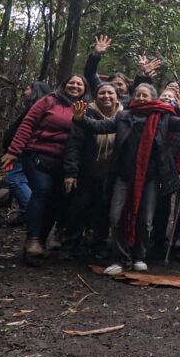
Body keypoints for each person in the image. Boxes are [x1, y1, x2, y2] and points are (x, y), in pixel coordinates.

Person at [71, 84, 180, 274]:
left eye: (145, 95)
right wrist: (81, 119)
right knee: (116, 217)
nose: (141, 98)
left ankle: (139, 256)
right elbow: (101, 127)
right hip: (123, 176)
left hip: (151, 178)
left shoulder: (162, 116)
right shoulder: (124, 116)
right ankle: (120, 258)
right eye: (138, 95)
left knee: (145, 220)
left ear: (153, 98)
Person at [1, 75, 88, 259]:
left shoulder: (85, 108)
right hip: (37, 154)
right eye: (71, 82)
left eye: (79, 84)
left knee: (56, 200)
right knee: (42, 190)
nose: (74, 85)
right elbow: (27, 124)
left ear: (85, 89)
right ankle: (32, 238)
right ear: (64, 85)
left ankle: (39, 240)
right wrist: (14, 151)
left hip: (65, 162)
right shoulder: (48, 101)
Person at [63, 81, 122, 255]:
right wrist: (71, 173)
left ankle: (97, 244)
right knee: (79, 207)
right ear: (96, 96)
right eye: (102, 93)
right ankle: (69, 244)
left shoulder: (124, 116)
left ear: (117, 97)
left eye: (110, 93)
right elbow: (74, 145)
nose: (106, 96)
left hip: (111, 173)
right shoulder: (85, 113)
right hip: (86, 170)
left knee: (103, 209)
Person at [1, 81, 52, 226]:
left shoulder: (36, 109)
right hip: (21, 151)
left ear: (36, 90)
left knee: (15, 180)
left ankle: (32, 214)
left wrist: (14, 150)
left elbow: (24, 131)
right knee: (20, 180)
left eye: (28, 88)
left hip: (22, 152)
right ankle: (29, 215)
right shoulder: (35, 107)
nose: (24, 92)